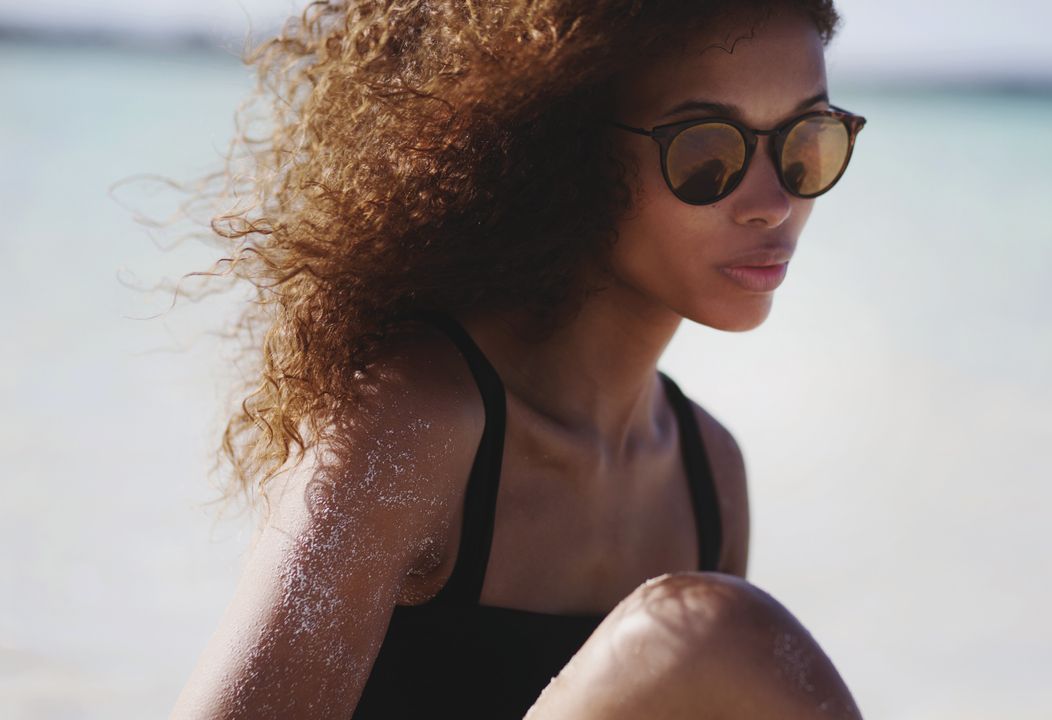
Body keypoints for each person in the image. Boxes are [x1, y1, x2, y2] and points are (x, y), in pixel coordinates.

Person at [170, 0, 868, 717]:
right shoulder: (415, 420)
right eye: (705, 151)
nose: (774, 202)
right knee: (709, 629)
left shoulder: (707, 475)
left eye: (805, 140)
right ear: (562, 150)